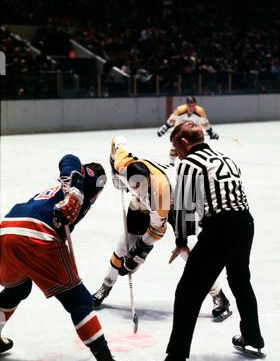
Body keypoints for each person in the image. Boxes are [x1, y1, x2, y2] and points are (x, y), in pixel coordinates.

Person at [0, 154, 134, 361]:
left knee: (18, 287)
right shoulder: (79, 186)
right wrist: (75, 193)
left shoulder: (62, 191)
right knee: (79, 301)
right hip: (37, 234)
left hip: (7, 229)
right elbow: (70, 160)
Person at [149, 122, 265, 361]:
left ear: (184, 142)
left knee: (188, 291)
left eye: (175, 146)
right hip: (245, 224)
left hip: (220, 228)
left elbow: (183, 208)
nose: (175, 151)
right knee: (239, 281)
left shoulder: (189, 163)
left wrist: (180, 240)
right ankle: (253, 338)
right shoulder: (227, 158)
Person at [92, 136, 231, 321]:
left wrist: (138, 255)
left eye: (140, 188)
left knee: (189, 252)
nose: (136, 190)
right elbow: (119, 140)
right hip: (141, 205)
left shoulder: (160, 193)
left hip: (180, 204)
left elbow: (157, 230)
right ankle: (106, 285)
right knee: (122, 246)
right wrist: (113, 166)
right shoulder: (125, 165)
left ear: (148, 182)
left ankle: (218, 294)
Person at [157, 95, 219, 166]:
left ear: (195, 105)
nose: (191, 108)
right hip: (180, 132)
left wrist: (212, 133)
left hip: (193, 134)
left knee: (196, 148)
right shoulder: (180, 110)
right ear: (186, 105)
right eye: (189, 106)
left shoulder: (200, 111)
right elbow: (171, 120)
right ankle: (171, 165)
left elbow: (205, 123)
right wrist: (163, 129)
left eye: (193, 106)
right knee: (174, 146)